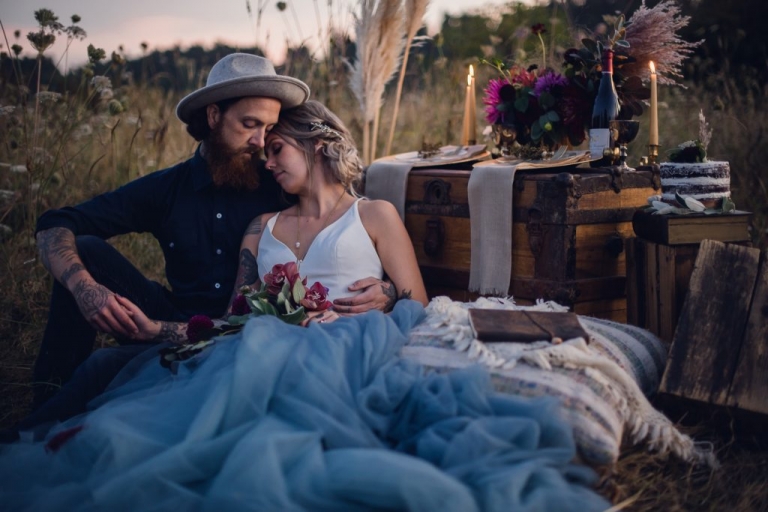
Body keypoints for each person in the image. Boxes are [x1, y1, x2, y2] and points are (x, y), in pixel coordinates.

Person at [0, 101, 609, 512]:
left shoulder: (374, 213)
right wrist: (143, 318)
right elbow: (240, 312)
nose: (265, 155)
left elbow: (418, 300)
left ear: (314, 146)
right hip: (256, 341)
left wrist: (391, 295)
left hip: (349, 344)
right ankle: (43, 419)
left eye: (275, 147)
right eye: (257, 141)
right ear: (215, 119)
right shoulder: (260, 221)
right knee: (127, 386)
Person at [31, 53, 394, 409]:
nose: (259, 142)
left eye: (268, 130)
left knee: (104, 368)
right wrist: (84, 287)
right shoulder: (166, 189)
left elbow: (340, 225)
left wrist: (387, 290)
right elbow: (55, 223)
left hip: (247, 331)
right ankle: (47, 395)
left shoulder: (280, 182)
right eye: (249, 124)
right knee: (85, 250)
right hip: (172, 318)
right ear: (213, 115)